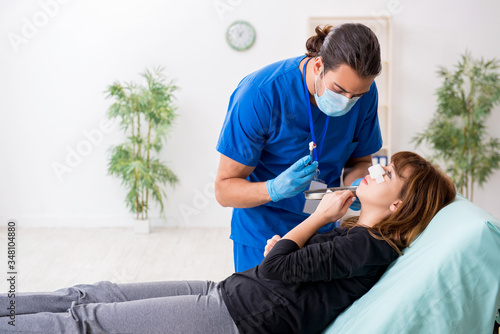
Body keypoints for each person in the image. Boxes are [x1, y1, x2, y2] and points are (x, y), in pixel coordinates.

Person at [0, 152, 456, 334]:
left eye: (388, 174)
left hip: (238, 317)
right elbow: (292, 264)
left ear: (399, 205)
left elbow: (281, 266)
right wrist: (289, 245)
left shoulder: (372, 246)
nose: (375, 169)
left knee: (86, 322)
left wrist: (314, 219)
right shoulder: (359, 230)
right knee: (95, 293)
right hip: (233, 291)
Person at [215, 23, 385, 272]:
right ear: (318, 66)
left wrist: (357, 186)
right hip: (263, 231)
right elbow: (224, 190)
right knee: (261, 306)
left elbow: (360, 161)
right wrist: (274, 189)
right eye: (339, 90)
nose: (348, 102)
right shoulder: (260, 94)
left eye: (357, 95)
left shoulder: (364, 93)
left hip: (321, 226)